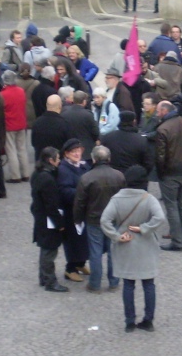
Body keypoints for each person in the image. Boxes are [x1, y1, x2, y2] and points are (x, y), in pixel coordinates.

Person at [101, 165, 167, 332]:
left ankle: (129, 322)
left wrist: (116, 236)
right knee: (149, 284)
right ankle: (148, 320)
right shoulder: (148, 198)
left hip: (126, 246)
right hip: (145, 247)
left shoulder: (116, 199)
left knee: (128, 285)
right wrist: (145, 228)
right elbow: (160, 217)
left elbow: (104, 221)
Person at [74, 145, 127, 292]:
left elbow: (80, 202)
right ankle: (114, 282)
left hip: (94, 219)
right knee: (113, 251)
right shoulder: (119, 176)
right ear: (109, 158)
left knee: (95, 252)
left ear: (93, 159)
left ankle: (95, 283)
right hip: (114, 219)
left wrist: (77, 219)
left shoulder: (86, 178)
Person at [155, 100, 182, 252]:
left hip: (170, 173)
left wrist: (160, 173)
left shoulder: (163, 129)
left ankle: (177, 241)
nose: (157, 114)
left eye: (158, 111)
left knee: (172, 206)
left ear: (165, 111)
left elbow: (160, 157)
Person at [30, 147, 70, 292]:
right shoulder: (48, 179)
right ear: (50, 160)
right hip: (48, 219)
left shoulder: (37, 174)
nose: (59, 161)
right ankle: (50, 281)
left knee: (45, 248)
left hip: (40, 216)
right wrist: (60, 223)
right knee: (49, 250)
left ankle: (43, 277)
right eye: (57, 158)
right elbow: (51, 206)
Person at [57, 138, 90, 283]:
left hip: (83, 209)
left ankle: (80, 263)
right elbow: (64, 191)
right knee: (73, 240)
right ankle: (70, 269)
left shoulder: (83, 166)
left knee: (83, 238)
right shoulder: (64, 169)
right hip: (70, 211)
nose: (77, 154)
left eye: (79, 151)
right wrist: (82, 194)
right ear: (66, 154)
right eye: (73, 152)